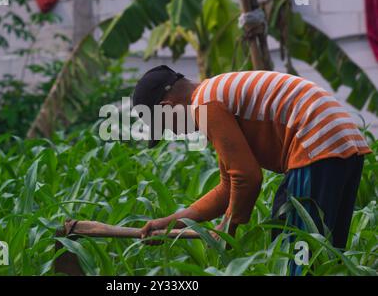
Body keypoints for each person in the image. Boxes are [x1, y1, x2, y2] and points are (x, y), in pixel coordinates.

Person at [133, 65, 371, 251]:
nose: (173, 133)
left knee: (297, 249)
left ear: (168, 106)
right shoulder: (215, 93)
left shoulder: (205, 103)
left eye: (165, 125)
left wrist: (229, 226)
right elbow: (229, 187)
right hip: (344, 143)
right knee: (327, 252)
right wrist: (172, 222)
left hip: (316, 144)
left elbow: (247, 177)